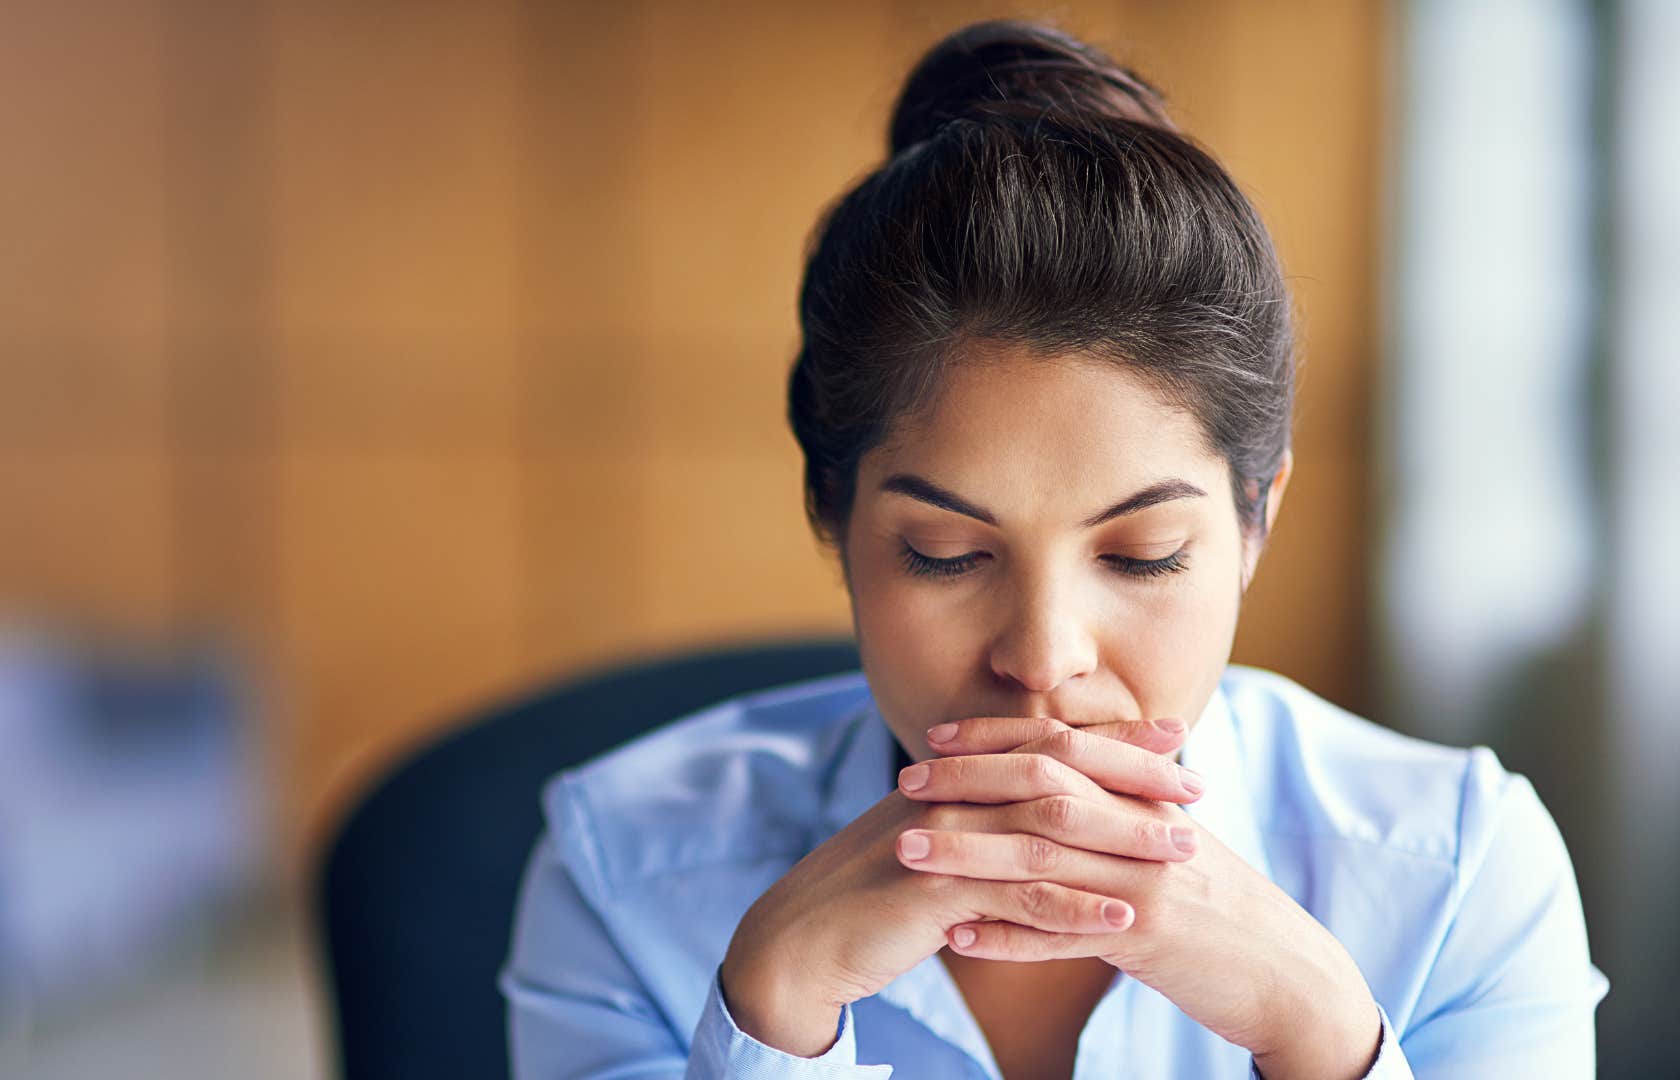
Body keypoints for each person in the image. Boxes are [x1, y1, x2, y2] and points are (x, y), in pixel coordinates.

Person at [497, 17, 1608, 1079]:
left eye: (1144, 554)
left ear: (1255, 519)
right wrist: (773, 1016)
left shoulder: (1457, 875)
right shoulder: (622, 872)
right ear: (832, 517)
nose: (1041, 659)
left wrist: (1319, 1033)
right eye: (945, 553)